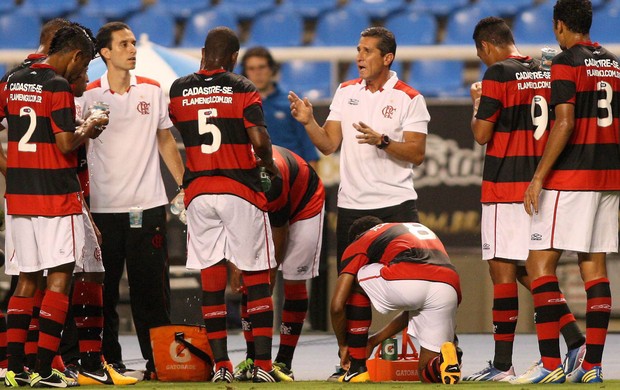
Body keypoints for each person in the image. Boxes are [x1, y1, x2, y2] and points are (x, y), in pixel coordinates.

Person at [464, 17, 586, 382]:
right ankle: (575, 340)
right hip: (540, 184)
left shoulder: (497, 74)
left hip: (505, 185)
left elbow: (482, 133)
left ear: (485, 47)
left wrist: (477, 103)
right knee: (530, 271)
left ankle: (503, 364)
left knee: (502, 270)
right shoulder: (545, 70)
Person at [512, 0, 620, 384]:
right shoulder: (613, 61)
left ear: (559, 25)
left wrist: (539, 176)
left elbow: (565, 122)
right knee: (594, 268)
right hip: (608, 178)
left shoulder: (565, 61)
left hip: (571, 177)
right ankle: (592, 366)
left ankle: (549, 363)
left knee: (538, 265)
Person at [168, 26, 283, 383]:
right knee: (256, 277)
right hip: (240, 189)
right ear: (234, 58)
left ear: (203, 52)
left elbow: (180, 128)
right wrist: (264, 162)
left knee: (212, 280)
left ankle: (221, 366)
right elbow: (260, 140)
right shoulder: (243, 87)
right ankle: (262, 366)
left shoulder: (179, 89)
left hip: (199, 193)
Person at [76, 21, 185, 379]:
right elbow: (79, 147)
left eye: (134, 43)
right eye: (124, 44)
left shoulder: (153, 90)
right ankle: (109, 362)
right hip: (102, 210)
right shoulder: (88, 95)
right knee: (103, 294)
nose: (133, 49)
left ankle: (159, 363)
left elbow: (166, 140)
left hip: (147, 206)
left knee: (151, 291)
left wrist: (185, 186)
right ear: (105, 52)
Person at [0, 23, 107, 387]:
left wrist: (10, 169)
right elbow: (65, 143)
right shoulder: (58, 85)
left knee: (25, 281)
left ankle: (15, 369)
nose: (82, 74)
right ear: (76, 55)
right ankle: (44, 370)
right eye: (85, 65)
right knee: (59, 278)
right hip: (56, 197)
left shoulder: (13, 79)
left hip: (18, 196)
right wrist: (88, 128)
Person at [288, 26, 430, 266]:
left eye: (367, 51)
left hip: (396, 205)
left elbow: (417, 153)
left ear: (388, 58)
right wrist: (309, 122)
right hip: (351, 208)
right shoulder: (345, 91)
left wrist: (383, 142)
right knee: (351, 290)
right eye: (358, 50)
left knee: (406, 280)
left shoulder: (410, 98)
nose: (359, 57)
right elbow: (328, 144)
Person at [330, 216, 461, 384]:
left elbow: (336, 306)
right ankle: (442, 362)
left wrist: (344, 344)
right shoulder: (403, 231)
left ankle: (357, 368)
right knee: (426, 373)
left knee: (354, 281)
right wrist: (373, 341)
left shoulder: (360, 240)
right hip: (448, 286)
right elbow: (413, 311)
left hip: (410, 276)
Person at [233, 145, 325, 381]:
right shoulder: (230, 178)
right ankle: (252, 358)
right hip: (264, 208)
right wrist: (235, 264)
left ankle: (284, 362)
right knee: (250, 277)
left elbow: (279, 229)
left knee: (293, 279)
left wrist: (271, 270)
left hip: (305, 204)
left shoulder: (271, 182)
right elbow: (232, 229)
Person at [240, 47, 319, 168]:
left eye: (262, 67)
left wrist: (311, 183)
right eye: (251, 68)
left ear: (272, 69)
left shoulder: (291, 102)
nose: (257, 73)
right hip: (254, 176)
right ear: (245, 73)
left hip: (291, 173)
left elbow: (308, 148)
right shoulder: (240, 105)